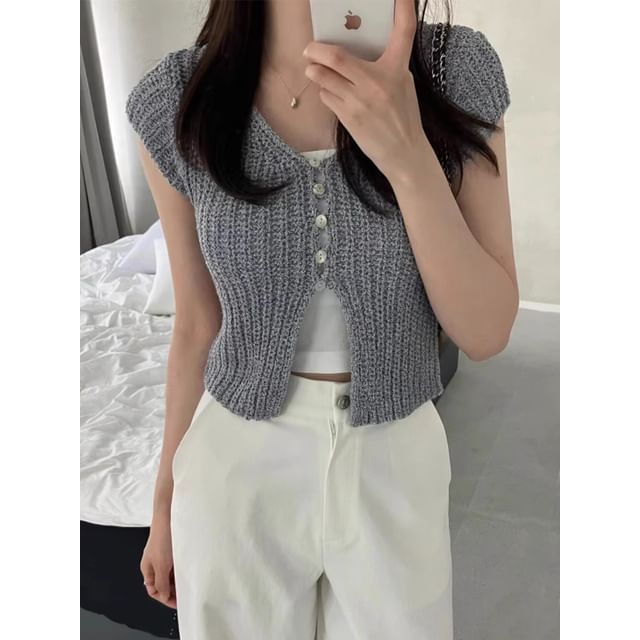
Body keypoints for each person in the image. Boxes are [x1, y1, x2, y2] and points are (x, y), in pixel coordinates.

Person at [125, 0, 519, 637]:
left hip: (395, 458)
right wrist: (164, 502)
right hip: (234, 467)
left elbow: (487, 331)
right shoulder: (178, 98)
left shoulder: (454, 71)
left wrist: (408, 156)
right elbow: (196, 324)